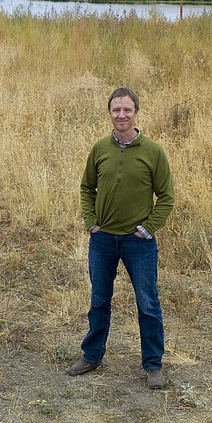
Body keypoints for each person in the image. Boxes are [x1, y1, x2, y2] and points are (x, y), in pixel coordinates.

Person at [67, 87, 174, 390]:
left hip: (138, 243)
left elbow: (167, 197)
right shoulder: (100, 149)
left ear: (136, 112)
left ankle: (153, 365)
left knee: (148, 303)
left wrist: (148, 228)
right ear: (110, 113)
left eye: (127, 110)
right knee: (99, 300)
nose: (122, 115)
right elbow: (87, 187)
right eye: (116, 110)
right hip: (102, 240)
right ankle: (91, 356)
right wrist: (91, 222)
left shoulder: (153, 152)